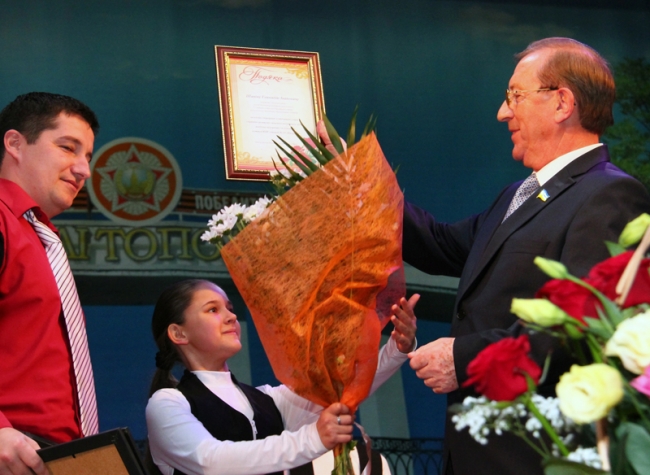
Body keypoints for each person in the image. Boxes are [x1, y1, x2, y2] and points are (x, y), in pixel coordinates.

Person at [403, 37, 650, 475]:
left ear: (562, 103)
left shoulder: (609, 194)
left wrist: (463, 358)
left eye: (515, 95)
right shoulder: (516, 196)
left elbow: (576, 328)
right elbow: (439, 244)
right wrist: (353, 180)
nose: (503, 112)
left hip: (533, 458)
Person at [145, 279, 418, 475]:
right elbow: (210, 461)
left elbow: (342, 387)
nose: (231, 317)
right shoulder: (167, 403)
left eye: (229, 308)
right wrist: (313, 439)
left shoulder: (266, 399)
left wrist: (397, 348)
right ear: (179, 333)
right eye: (213, 310)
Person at [0, 92, 100, 475]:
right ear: (15, 144)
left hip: (58, 456)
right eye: (67, 147)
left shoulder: (41, 238)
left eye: (87, 156)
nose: (83, 169)